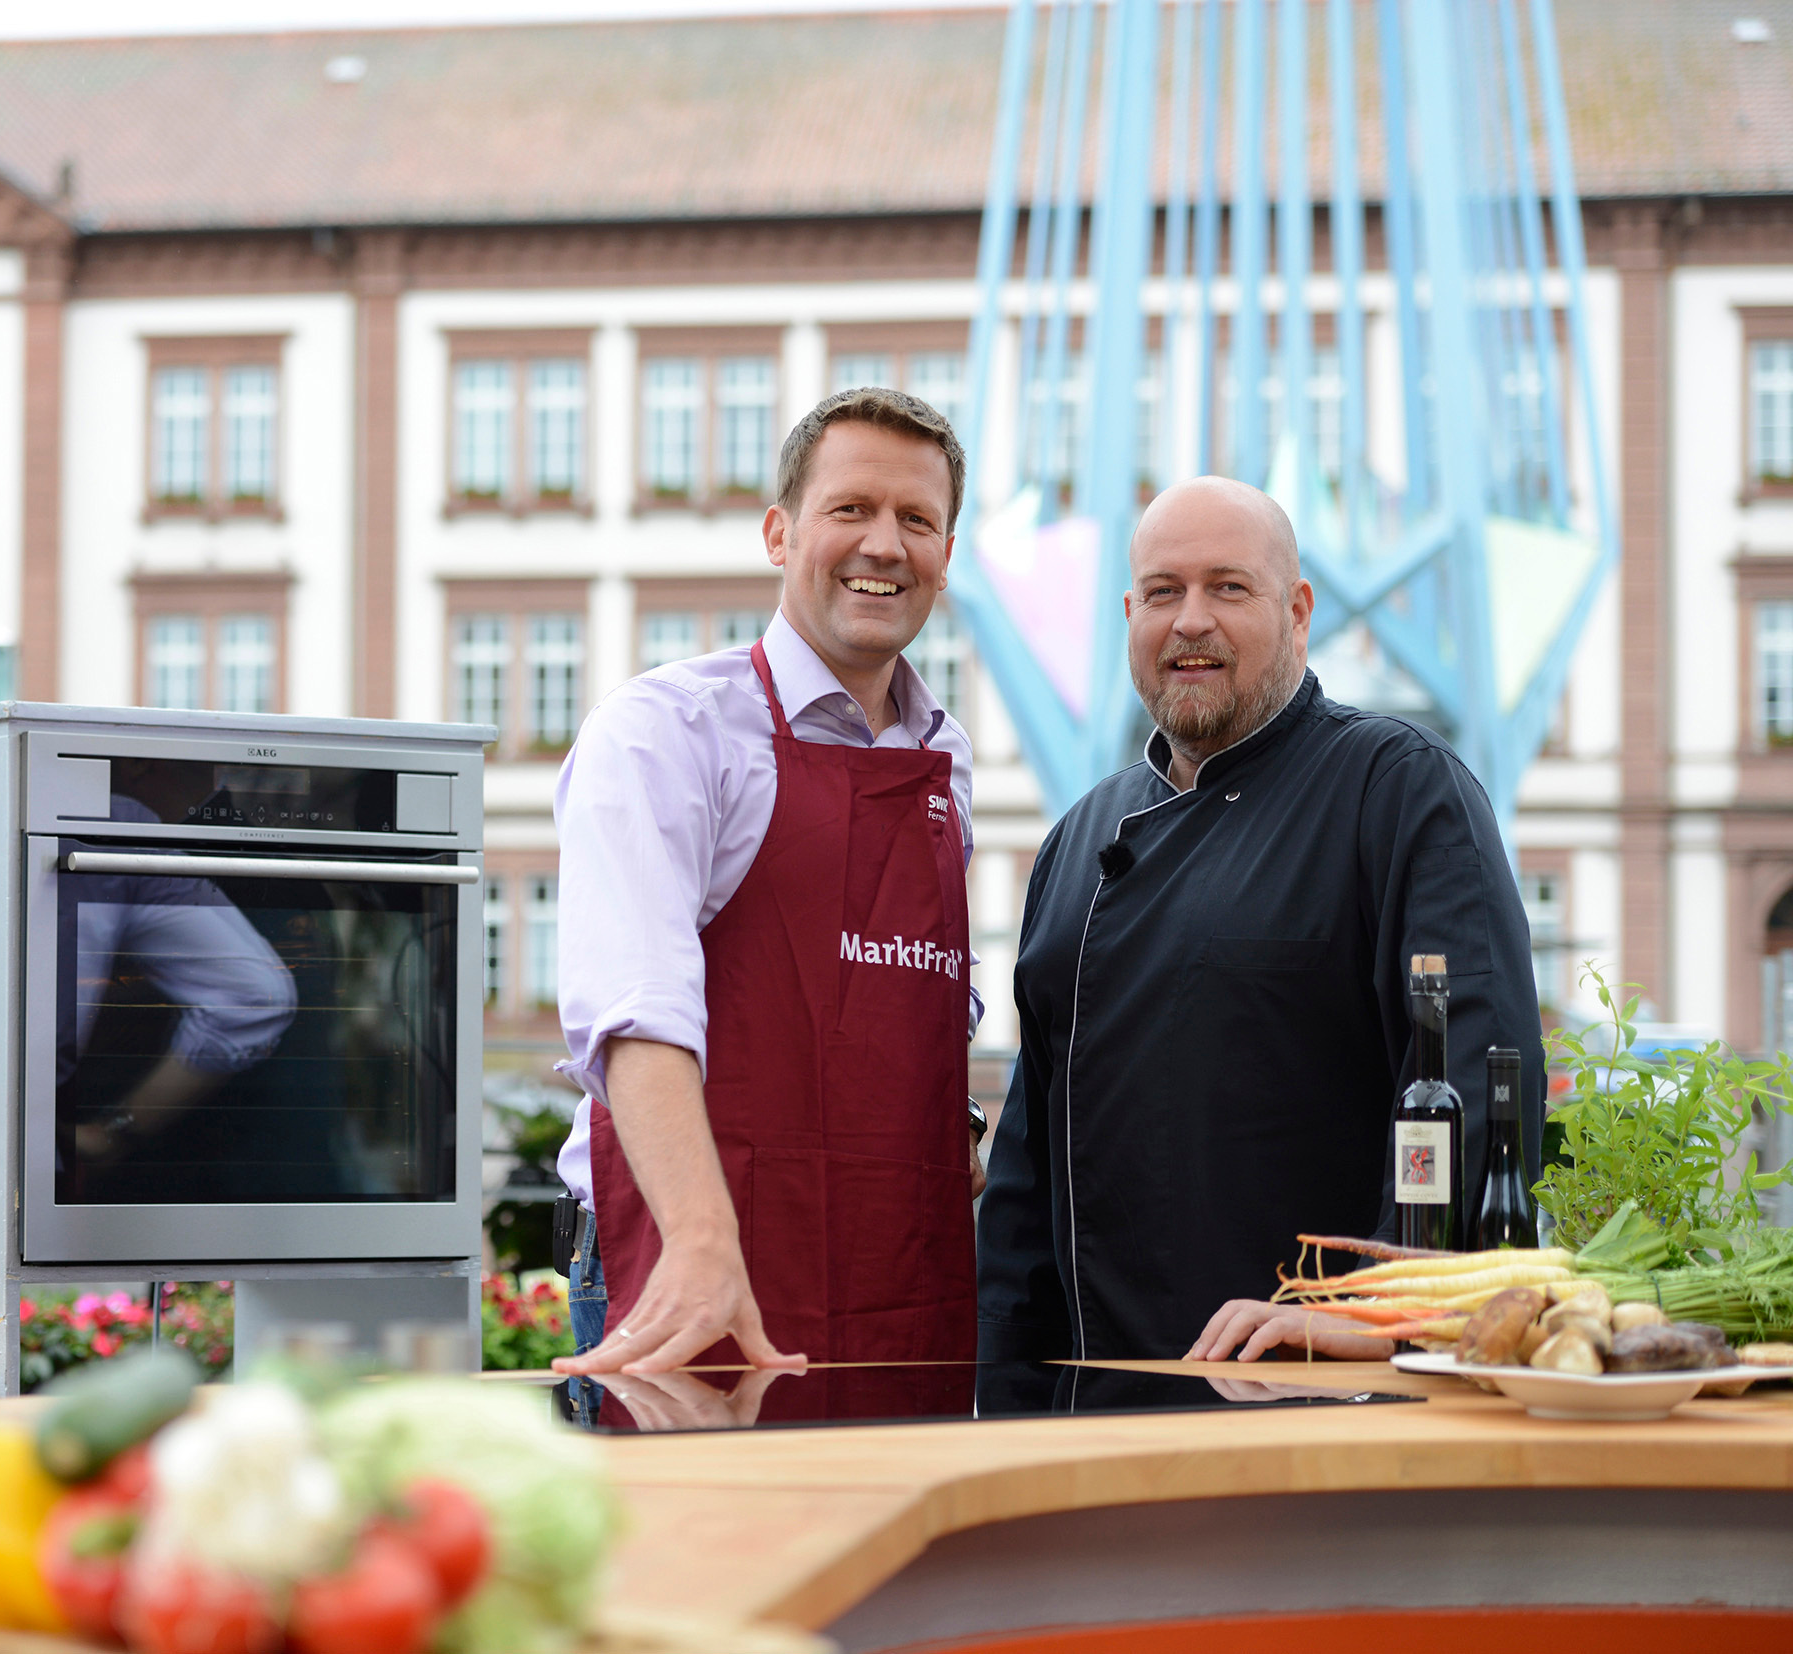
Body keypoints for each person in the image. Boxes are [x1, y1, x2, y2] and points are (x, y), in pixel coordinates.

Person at [975, 476, 1544, 1365]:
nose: (1190, 620)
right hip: (1097, 1417)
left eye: (1228, 587)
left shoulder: (1396, 790)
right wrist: (1006, 1396)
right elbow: (1024, 1175)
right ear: (1130, 615)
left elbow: (1475, 1072)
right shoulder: (1074, 842)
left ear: (1297, 611)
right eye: (1163, 592)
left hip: (1309, 1412)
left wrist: (1383, 1316)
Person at [548, 386, 984, 1383]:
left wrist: (951, 1120)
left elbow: (919, 997)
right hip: (689, 1271)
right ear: (779, 532)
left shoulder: (943, 761)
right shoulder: (665, 731)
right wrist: (702, 1244)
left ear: (945, 558)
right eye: (850, 510)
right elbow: (635, 1008)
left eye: (916, 520)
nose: (884, 544)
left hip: (895, 1279)